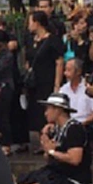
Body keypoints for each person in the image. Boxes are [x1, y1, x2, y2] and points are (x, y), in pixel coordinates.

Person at [17, 92, 93, 184]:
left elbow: (75, 159)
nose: (45, 113)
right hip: (56, 173)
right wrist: (46, 145)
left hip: (72, 180)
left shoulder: (74, 129)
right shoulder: (56, 129)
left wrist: (52, 151)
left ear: (57, 110)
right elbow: (49, 158)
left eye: (48, 109)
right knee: (20, 181)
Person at [24, 10, 65, 138]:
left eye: (30, 22)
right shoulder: (30, 40)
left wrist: (57, 84)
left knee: (47, 108)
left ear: (37, 23)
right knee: (35, 109)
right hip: (35, 80)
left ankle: (50, 135)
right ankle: (41, 137)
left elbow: (59, 61)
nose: (28, 25)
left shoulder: (52, 40)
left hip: (47, 78)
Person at [58, 57, 93, 128]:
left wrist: (80, 125)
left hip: (86, 126)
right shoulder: (63, 89)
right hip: (67, 126)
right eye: (65, 70)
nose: (65, 73)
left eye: (69, 70)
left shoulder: (89, 87)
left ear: (78, 71)